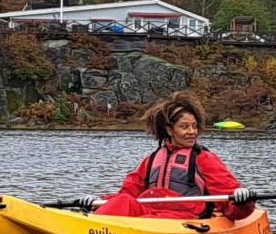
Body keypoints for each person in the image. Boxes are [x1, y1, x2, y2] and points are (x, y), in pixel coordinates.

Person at [74, 92, 255, 220]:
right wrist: (99, 202)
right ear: (169, 130)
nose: (192, 132)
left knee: (137, 213)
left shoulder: (204, 159)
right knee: (123, 201)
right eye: (185, 127)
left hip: (183, 217)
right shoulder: (151, 160)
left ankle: (94, 229)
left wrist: (242, 202)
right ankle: (89, 223)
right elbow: (128, 194)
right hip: (150, 213)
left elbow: (228, 201)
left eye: (194, 126)